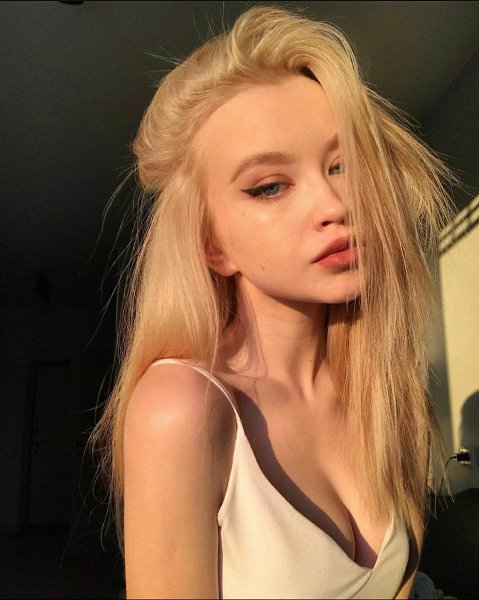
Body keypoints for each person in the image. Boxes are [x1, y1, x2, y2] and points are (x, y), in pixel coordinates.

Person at [92, 5, 454, 599]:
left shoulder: (383, 389)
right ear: (211, 244)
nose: (335, 204)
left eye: (344, 165)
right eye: (269, 187)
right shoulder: (184, 409)